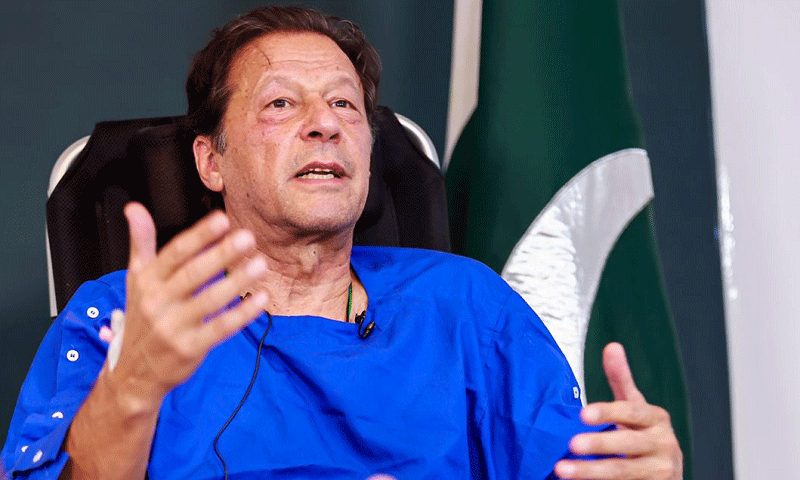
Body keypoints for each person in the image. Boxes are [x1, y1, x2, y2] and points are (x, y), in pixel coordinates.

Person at [2, 6, 682, 480]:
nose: (324, 123)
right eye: (281, 103)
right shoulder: (124, 317)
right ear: (211, 160)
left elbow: (575, 469)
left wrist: (640, 472)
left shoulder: (465, 303)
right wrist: (133, 389)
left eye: (345, 104)